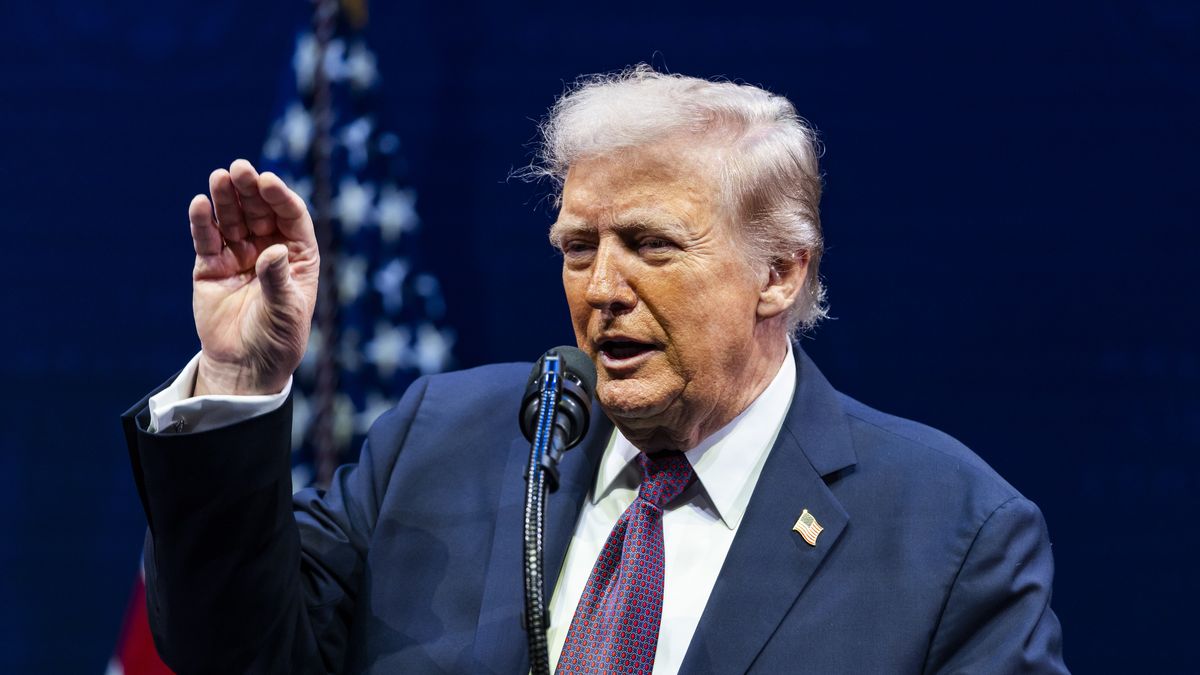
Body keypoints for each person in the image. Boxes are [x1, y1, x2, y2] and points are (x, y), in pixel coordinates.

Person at [123, 66, 1068, 674]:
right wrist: (240, 380)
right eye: (578, 248)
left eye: (651, 244)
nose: (601, 287)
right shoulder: (441, 440)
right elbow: (229, 652)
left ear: (780, 271)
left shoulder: (952, 539)